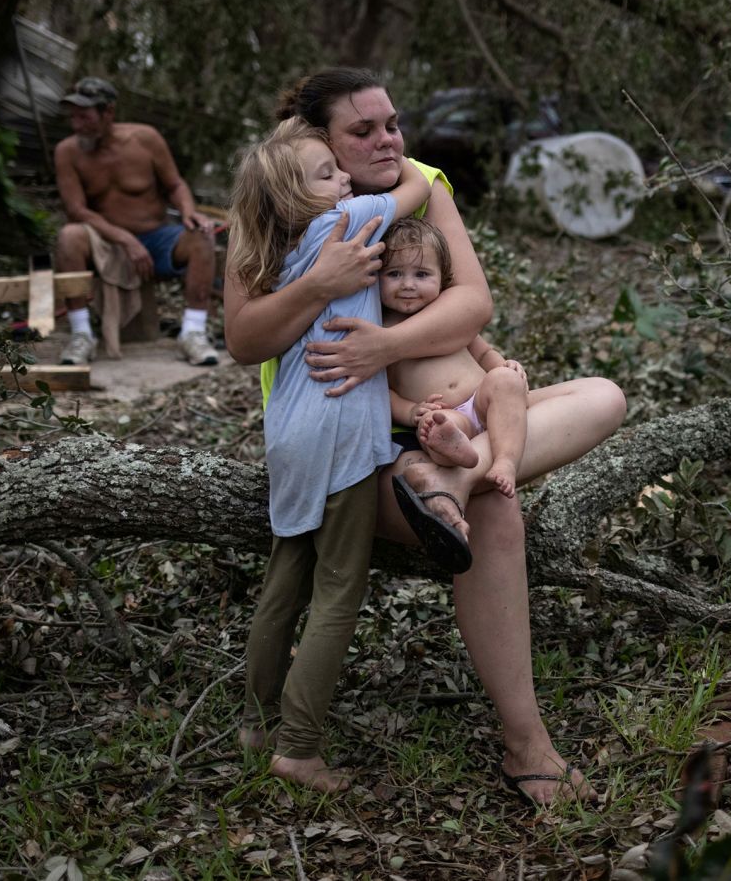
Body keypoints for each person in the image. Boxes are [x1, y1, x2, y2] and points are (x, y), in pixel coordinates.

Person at [224, 68, 627, 806]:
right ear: (319, 145)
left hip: (457, 423)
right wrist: (326, 298)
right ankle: (527, 746)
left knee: (605, 395)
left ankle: (456, 474)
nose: (387, 140)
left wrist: (383, 344)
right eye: (362, 131)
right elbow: (244, 337)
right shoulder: (284, 205)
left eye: (392, 123)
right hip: (361, 448)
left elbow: (474, 301)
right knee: (498, 517)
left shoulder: (423, 184)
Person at [231, 119, 432, 792]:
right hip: (339, 429)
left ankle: (257, 722)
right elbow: (411, 187)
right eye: (326, 172)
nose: (342, 178)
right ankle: (299, 746)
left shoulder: (282, 253)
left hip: (288, 426)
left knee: (288, 571)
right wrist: (403, 168)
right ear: (299, 199)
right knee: (340, 587)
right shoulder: (348, 220)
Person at [53, 76, 220, 367]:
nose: (76, 124)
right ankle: (81, 335)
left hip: (155, 238)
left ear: (108, 113)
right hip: (104, 243)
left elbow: (175, 185)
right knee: (69, 236)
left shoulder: (145, 140)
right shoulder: (68, 152)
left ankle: (192, 332)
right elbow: (76, 210)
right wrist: (124, 239)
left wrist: (188, 210)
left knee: (201, 236)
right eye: (73, 116)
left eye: (84, 116)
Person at [380, 217, 529, 501]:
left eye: (422, 275)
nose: (408, 284)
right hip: (447, 412)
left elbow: (482, 352)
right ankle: (453, 451)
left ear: (443, 277)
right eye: (395, 274)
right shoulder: (381, 331)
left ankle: (506, 462)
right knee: (436, 428)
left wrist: (503, 366)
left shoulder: (446, 315)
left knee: (505, 381)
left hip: (482, 400)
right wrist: (411, 411)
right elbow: (381, 391)